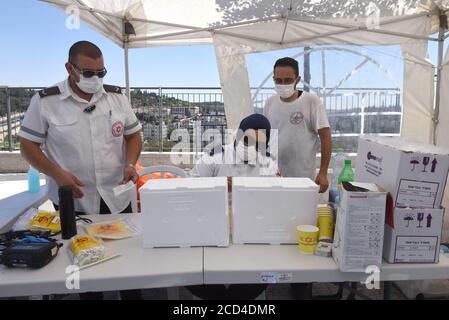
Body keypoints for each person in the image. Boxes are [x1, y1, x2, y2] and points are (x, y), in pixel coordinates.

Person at [18, 41, 142, 299]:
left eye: (101, 72)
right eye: (88, 73)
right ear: (69, 68)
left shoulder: (117, 98)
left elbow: (134, 135)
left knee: (131, 267)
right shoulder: (46, 101)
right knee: (86, 270)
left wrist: (130, 164)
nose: (95, 79)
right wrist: (57, 174)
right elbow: (28, 145)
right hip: (70, 201)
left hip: (115, 197)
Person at [186, 114, 278, 300]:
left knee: (268, 271)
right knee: (191, 270)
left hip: (252, 227)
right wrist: (218, 185)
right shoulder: (215, 156)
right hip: (209, 224)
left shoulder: (268, 162)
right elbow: (189, 188)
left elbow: (274, 199)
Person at [263, 57, 332, 193]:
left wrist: (323, 172)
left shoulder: (311, 101)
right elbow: (264, 137)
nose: (282, 84)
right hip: (274, 178)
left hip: (304, 180)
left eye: (287, 80)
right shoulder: (269, 103)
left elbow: (325, 137)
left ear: (297, 80)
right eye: (278, 80)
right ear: (274, 79)